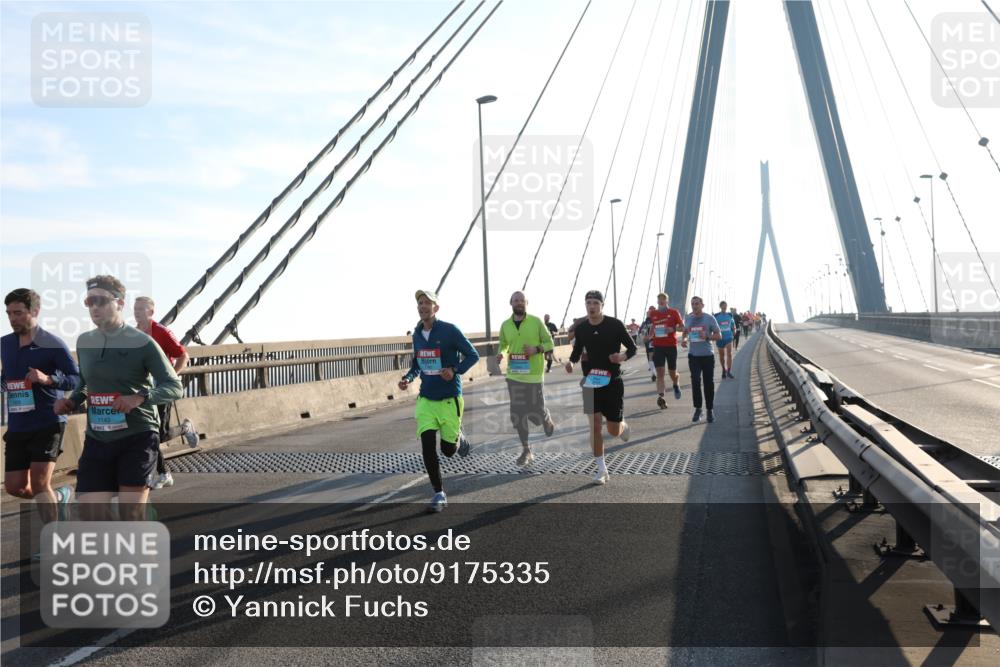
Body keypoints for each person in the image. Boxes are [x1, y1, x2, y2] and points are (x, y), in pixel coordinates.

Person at [53, 275, 183, 521]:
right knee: (91, 513)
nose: (94, 307)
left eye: (101, 301)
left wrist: (140, 397)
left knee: (130, 514)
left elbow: (174, 386)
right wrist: (72, 400)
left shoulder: (143, 342)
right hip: (97, 437)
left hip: (137, 435)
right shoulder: (85, 341)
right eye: (89, 302)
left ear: (120, 303)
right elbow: (84, 382)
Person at [2, 288, 80, 527]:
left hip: (48, 420)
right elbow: (7, 376)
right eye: (9, 314)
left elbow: (76, 378)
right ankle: (59, 497)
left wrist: (48, 379)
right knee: (15, 486)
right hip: (18, 422)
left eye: (18, 313)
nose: (13, 318)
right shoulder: (5, 343)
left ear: (34, 311)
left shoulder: (52, 344)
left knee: (39, 483)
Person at [398, 290, 479, 512]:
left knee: (448, 451)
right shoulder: (416, 335)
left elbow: (473, 355)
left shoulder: (450, 331)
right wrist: (408, 378)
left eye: (427, 303)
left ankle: (458, 438)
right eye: (420, 303)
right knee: (427, 445)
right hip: (426, 399)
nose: (423, 306)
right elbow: (418, 364)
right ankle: (438, 493)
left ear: (436, 308)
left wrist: (454, 370)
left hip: (449, 398)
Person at [564, 290, 636, 486]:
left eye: (595, 302)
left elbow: (633, 348)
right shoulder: (582, 328)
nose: (592, 306)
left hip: (612, 382)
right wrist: (571, 362)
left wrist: (621, 357)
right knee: (595, 425)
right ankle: (602, 470)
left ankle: (622, 426)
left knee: (613, 430)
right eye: (588, 302)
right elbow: (577, 350)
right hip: (590, 382)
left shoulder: (615, 325)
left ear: (602, 305)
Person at [133, 296, 199, 490]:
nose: (136, 312)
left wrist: (171, 377)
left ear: (151, 312)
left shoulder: (161, 332)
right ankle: (163, 474)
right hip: (143, 391)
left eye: (141, 309)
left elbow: (183, 355)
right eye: (135, 309)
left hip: (161, 389)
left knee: (158, 434)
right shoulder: (133, 333)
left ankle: (185, 428)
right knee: (148, 432)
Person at [497, 292, 555, 466]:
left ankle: (545, 417)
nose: (519, 303)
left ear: (526, 303)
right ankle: (526, 450)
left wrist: (536, 349)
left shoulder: (536, 322)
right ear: (511, 303)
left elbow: (550, 343)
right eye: (516, 300)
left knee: (535, 412)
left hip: (534, 375)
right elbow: (504, 344)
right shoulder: (505, 325)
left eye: (522, 300)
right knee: (518, 414)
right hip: (514, 374)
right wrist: (501, 353)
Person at [680, 296, 721, 423]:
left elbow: (719, 335)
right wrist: (684, 340)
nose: (694, 306)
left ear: (702, 305)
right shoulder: (689, 319)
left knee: (708, 383)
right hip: (694, 356)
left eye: (697, 304)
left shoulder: (709, 318)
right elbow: (685, 332)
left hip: (707, 356)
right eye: (692, 304)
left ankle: (709, 410)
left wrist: (707, 336)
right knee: (695, 381)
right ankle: (698, 408)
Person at [646, 292, 684, 408]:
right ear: (657, 302)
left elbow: (682, 327)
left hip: (671, 346)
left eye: (663, 299)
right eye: (659, 300)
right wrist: (650, 335)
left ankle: (676, 383)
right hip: (658, 346)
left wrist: (672, 329)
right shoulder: (653, 314)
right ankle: (661, 397)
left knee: (672, 372)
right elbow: (653, 326)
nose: (661, 302)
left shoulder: (674, 312)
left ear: (667, 301)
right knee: (660, 373)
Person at [714, 300, 736, 379]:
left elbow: (733, 326)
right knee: (721, 355)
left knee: (729, 354)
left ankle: (729, 371)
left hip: (728, 337)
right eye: (723, 305)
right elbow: (713, 326)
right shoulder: (716, 316)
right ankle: (724, 369)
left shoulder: (730, 315)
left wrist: (734, 332)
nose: (725, 307)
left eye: (726, 305)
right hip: (720, 338)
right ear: (720, 307)